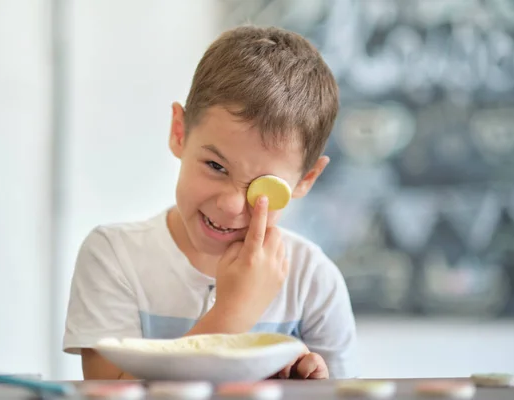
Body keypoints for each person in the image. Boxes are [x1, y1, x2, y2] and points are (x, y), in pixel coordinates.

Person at [62, 24, 358, 380]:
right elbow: (109, 394)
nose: (232, 204)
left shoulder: (313, 281)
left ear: (305, 180)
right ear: (179, 132)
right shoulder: (113, 256)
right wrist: (233, 314)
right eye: (216, 166)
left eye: (263, 186)